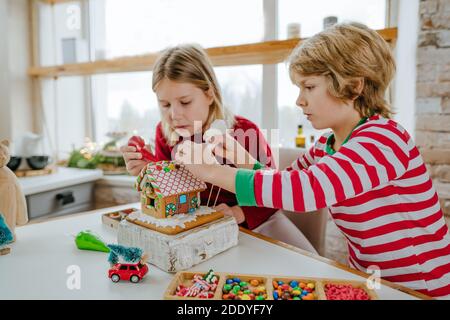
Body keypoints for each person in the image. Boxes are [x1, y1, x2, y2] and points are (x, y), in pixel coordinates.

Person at [175, 23, 450, 298]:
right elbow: (283, 185)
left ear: (353, 86)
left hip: (422, 287)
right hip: (375, 281)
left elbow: (305, 191)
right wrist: (243, 159)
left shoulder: (382, 140)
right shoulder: (325, 147)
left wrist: (212, 171)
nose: (299, 100)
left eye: (309, 86)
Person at [120, 44, 316, 252]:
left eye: (185, 102)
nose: (174, 115)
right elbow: (169, 191)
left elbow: (272, 192)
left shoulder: (243, 132)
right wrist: (146, 169)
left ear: (210, 94)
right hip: (199, 233)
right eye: (165, 105)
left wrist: (236, 212)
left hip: (253, 227)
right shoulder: (166, 134)